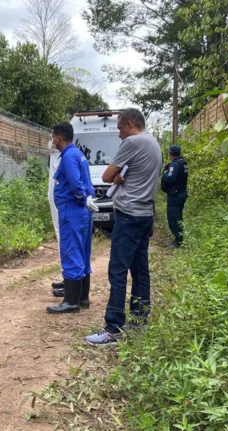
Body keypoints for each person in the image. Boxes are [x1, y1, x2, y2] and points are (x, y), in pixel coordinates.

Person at [85, 108, 162, 345]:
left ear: (129, 124)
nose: (119, 134)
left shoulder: (132, 142)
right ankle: (139, 320)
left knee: (117, 271)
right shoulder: (154, 143)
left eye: (119, 129)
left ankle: (113, 327)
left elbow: (107, 176)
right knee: (140, 270)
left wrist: (116, 175)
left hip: (128, 215)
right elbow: (140, 178)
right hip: (144, 214)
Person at [47, 122, 99, 314]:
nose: (52, 140)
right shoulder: (78, 154)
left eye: (53, 137)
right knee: (83, 253)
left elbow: (76, 184)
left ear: (58, 138)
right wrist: (87, 199)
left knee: (71, 252)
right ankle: (82, 298)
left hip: (72, 210)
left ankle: (71, 301)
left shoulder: (68, 156)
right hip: (82, 212)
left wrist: (81, 198)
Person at [161, 145, 189, 249]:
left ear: (171, 153)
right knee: (178, 217)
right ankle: (179, 239)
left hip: (175, 195)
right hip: (181, 193)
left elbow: (170, 178)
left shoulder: (174, 164)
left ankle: (178, 241)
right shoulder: (183, 163)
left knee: (173, 218)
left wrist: (165, 173)